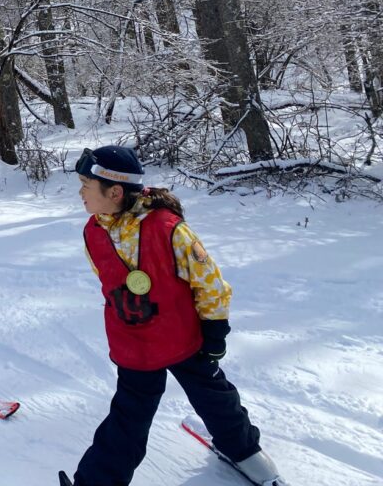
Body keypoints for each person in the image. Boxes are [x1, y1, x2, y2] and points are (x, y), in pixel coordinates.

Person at [62, 145, 288, 486]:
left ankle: (242, 450)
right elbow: (107, 279)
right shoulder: (93, 231)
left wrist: (214, 333)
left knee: (215, 398)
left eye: (86, 186)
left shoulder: (168, 229)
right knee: (128, 418)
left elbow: (210, 283)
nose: (80, 193)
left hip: (185, 337)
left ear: (115, 191)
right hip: (135, 343)